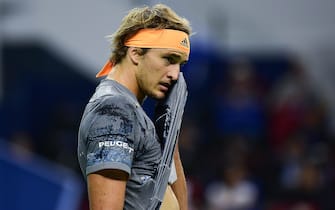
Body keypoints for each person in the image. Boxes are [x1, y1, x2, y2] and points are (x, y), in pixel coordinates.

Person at [77, 3, 192, 210]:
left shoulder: (131, 110)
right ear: (136, 53)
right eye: (168, 59)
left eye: (180, 64)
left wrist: (170, 134)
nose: (175, 74)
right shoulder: (113, 111)